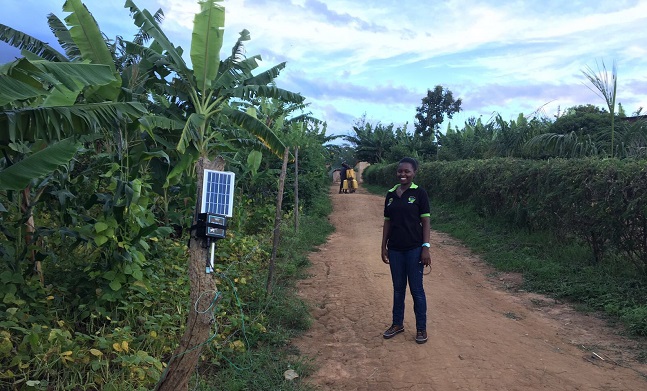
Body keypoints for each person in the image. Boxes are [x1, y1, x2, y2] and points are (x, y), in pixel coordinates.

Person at [381, 157, 431, 344]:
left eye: (407, 171)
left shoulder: (420, 194)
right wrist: (383, 245)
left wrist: (425, 247)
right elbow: (387, 222)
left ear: (414, 172)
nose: (403, 174)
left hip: (414, 249)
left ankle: (421, 328)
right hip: (395, 250)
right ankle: (397, 324)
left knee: (417, 290)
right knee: (398, 289)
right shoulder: (391, 194)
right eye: (400, 171)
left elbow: (425, 222)